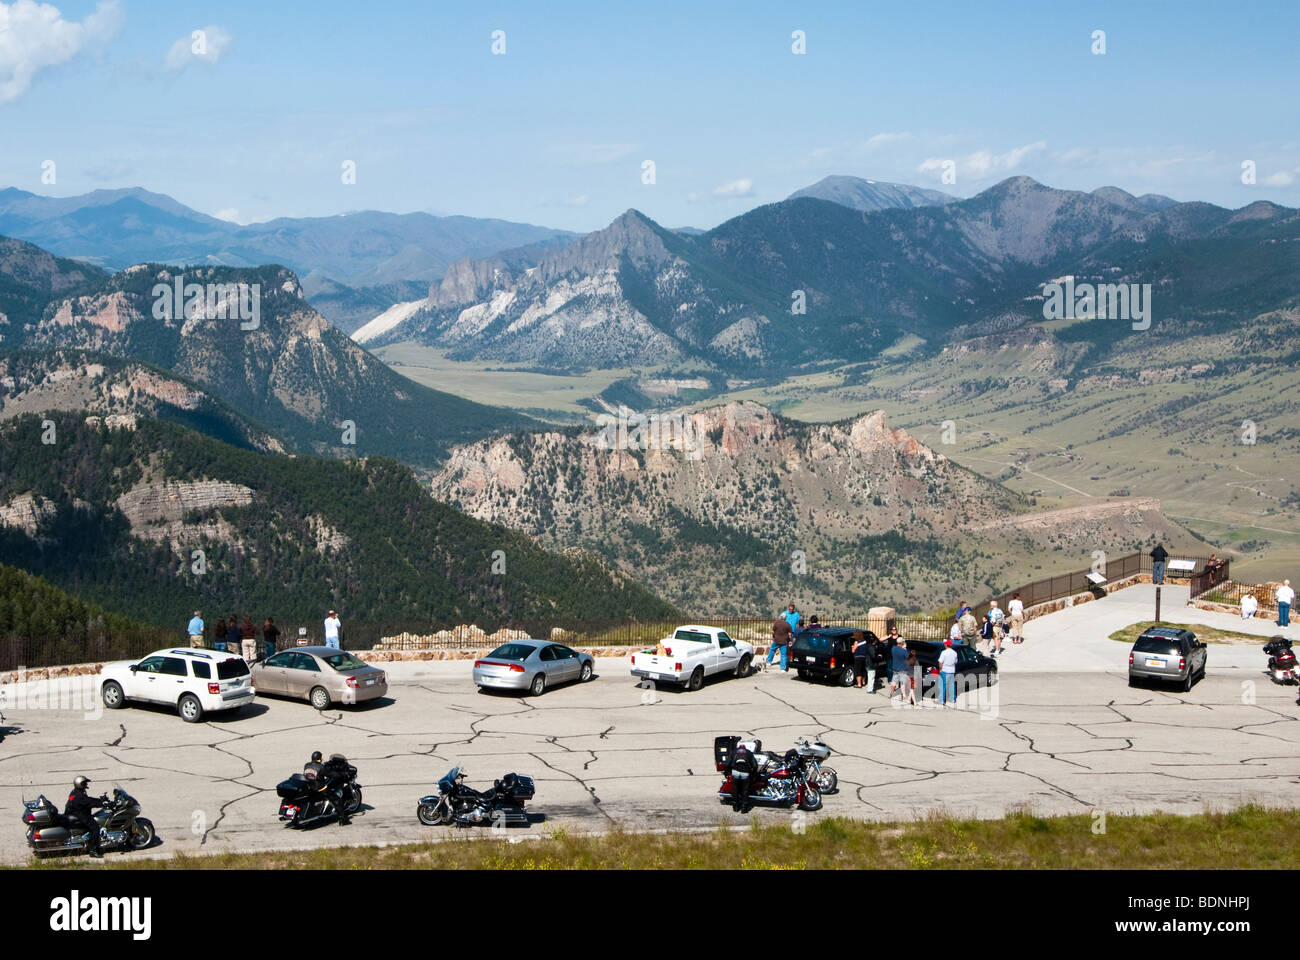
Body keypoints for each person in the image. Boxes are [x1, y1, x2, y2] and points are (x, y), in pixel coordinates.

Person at [64, 775, 108, 858]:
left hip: (75, 814)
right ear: (80, 784)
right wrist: (102, 803)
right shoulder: (79, 795)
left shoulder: (75, 792)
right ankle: (93, 850)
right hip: (81, 815)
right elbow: (89, 803)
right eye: (84, 783)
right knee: (95, 828)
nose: (86, 785)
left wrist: (100, 800)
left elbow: (88, 800)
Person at [937, 640, 958, 706]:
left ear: (946, 645)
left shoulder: (944, 652)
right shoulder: (955, 653)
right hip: (952, 671)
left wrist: (940, 669)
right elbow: (955, 662)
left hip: (944, 670)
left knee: (942, 686)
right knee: (952, 685)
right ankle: (952, 699)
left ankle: (941, 700)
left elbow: (940, 662)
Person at [889, 637, 910, 702]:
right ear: (902, 643)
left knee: (894, 681)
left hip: (895, 667)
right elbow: (908, 657)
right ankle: (904, 695)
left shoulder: (893, 649)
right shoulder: (903, 650)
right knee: (903, 682)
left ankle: (892, 693)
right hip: (903, 668)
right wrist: (905, 648)